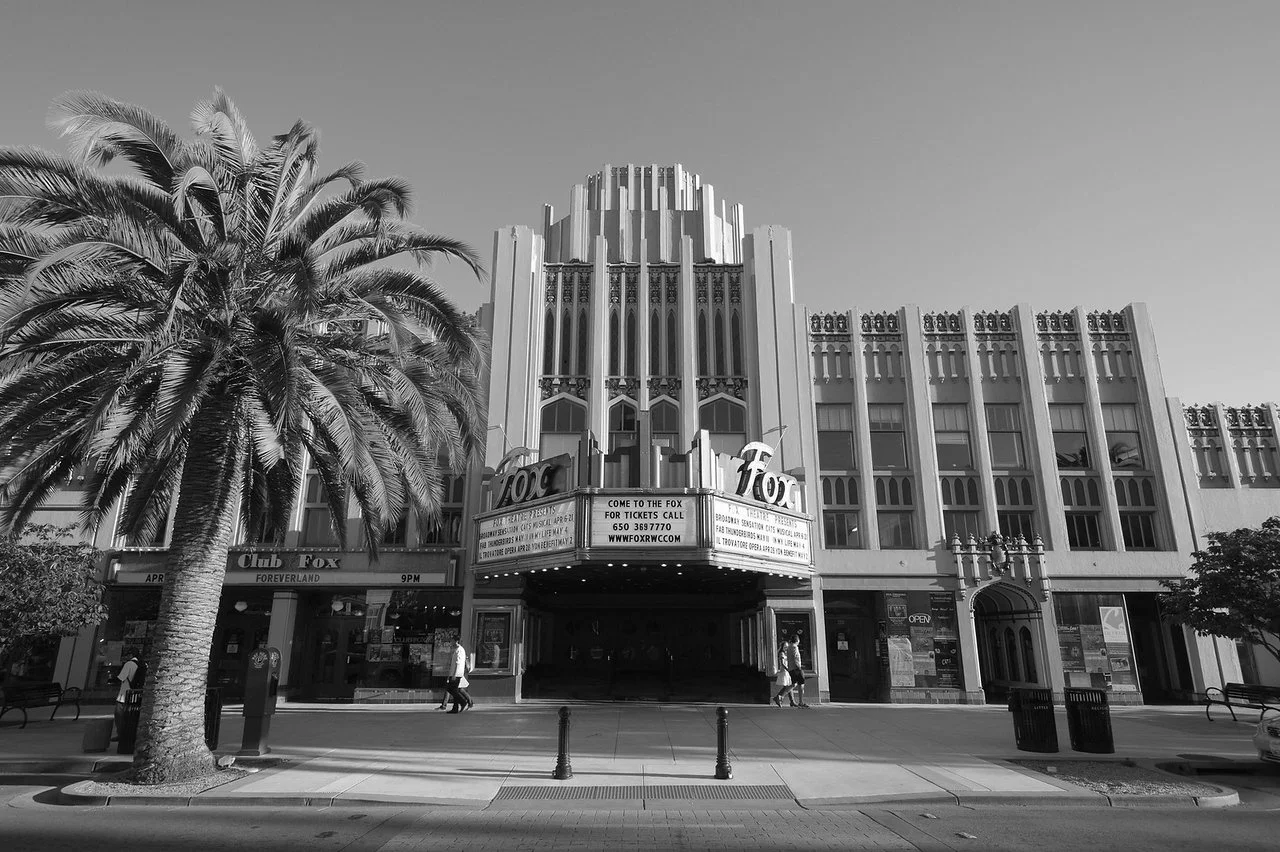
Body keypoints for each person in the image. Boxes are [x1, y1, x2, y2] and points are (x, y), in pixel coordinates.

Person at [113, 654, 143, 738]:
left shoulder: (129, 664)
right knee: (131, 717)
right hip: (135, 694)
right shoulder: (141, 664)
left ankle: (120, 734)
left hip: (124, 694)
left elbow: (121, 677)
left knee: (119, 716)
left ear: (130, 655)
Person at [445, 640, 473, 714]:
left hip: (457, 674)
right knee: (455, 690)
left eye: (452, 641)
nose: (450, 642)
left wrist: (455, 674)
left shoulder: (460, 650)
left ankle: (463, 701)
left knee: (452, 689)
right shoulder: (456, 650)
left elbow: (458, 663)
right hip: (454, 673)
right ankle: (455, 708)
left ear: (456, 641)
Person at [783, 634, 809, 708]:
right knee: (801, 684)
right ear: (797, 640)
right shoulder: (795, 647)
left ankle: (780, 696)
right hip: (796, 668)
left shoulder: (788, 647)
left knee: (793, 684)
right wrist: (799, 667)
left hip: (791, 668)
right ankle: (801, 702)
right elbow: (796, 658)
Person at [772, 641, 796, 707]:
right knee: (792, 684)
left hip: (788, 671)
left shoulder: (787, 653)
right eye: (785, 646)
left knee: (789, 686)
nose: (786, 647)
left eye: (787, 646)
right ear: (782, 647)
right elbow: (782, 663)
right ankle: (779, 697)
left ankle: (792, 701)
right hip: (785, 671)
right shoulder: (782, 653)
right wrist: (788, 669)